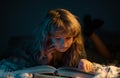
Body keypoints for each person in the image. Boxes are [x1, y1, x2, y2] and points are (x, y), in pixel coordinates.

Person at [0, 8, 93, 77]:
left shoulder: (76, 44)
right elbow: (36, 66)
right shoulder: (42, 44)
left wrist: (84, 62)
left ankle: (90, 30)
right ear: (48, 36)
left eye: (68, 38)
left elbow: (81, 59)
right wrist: (47, 58)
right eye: (57, 38)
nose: (64, 44)